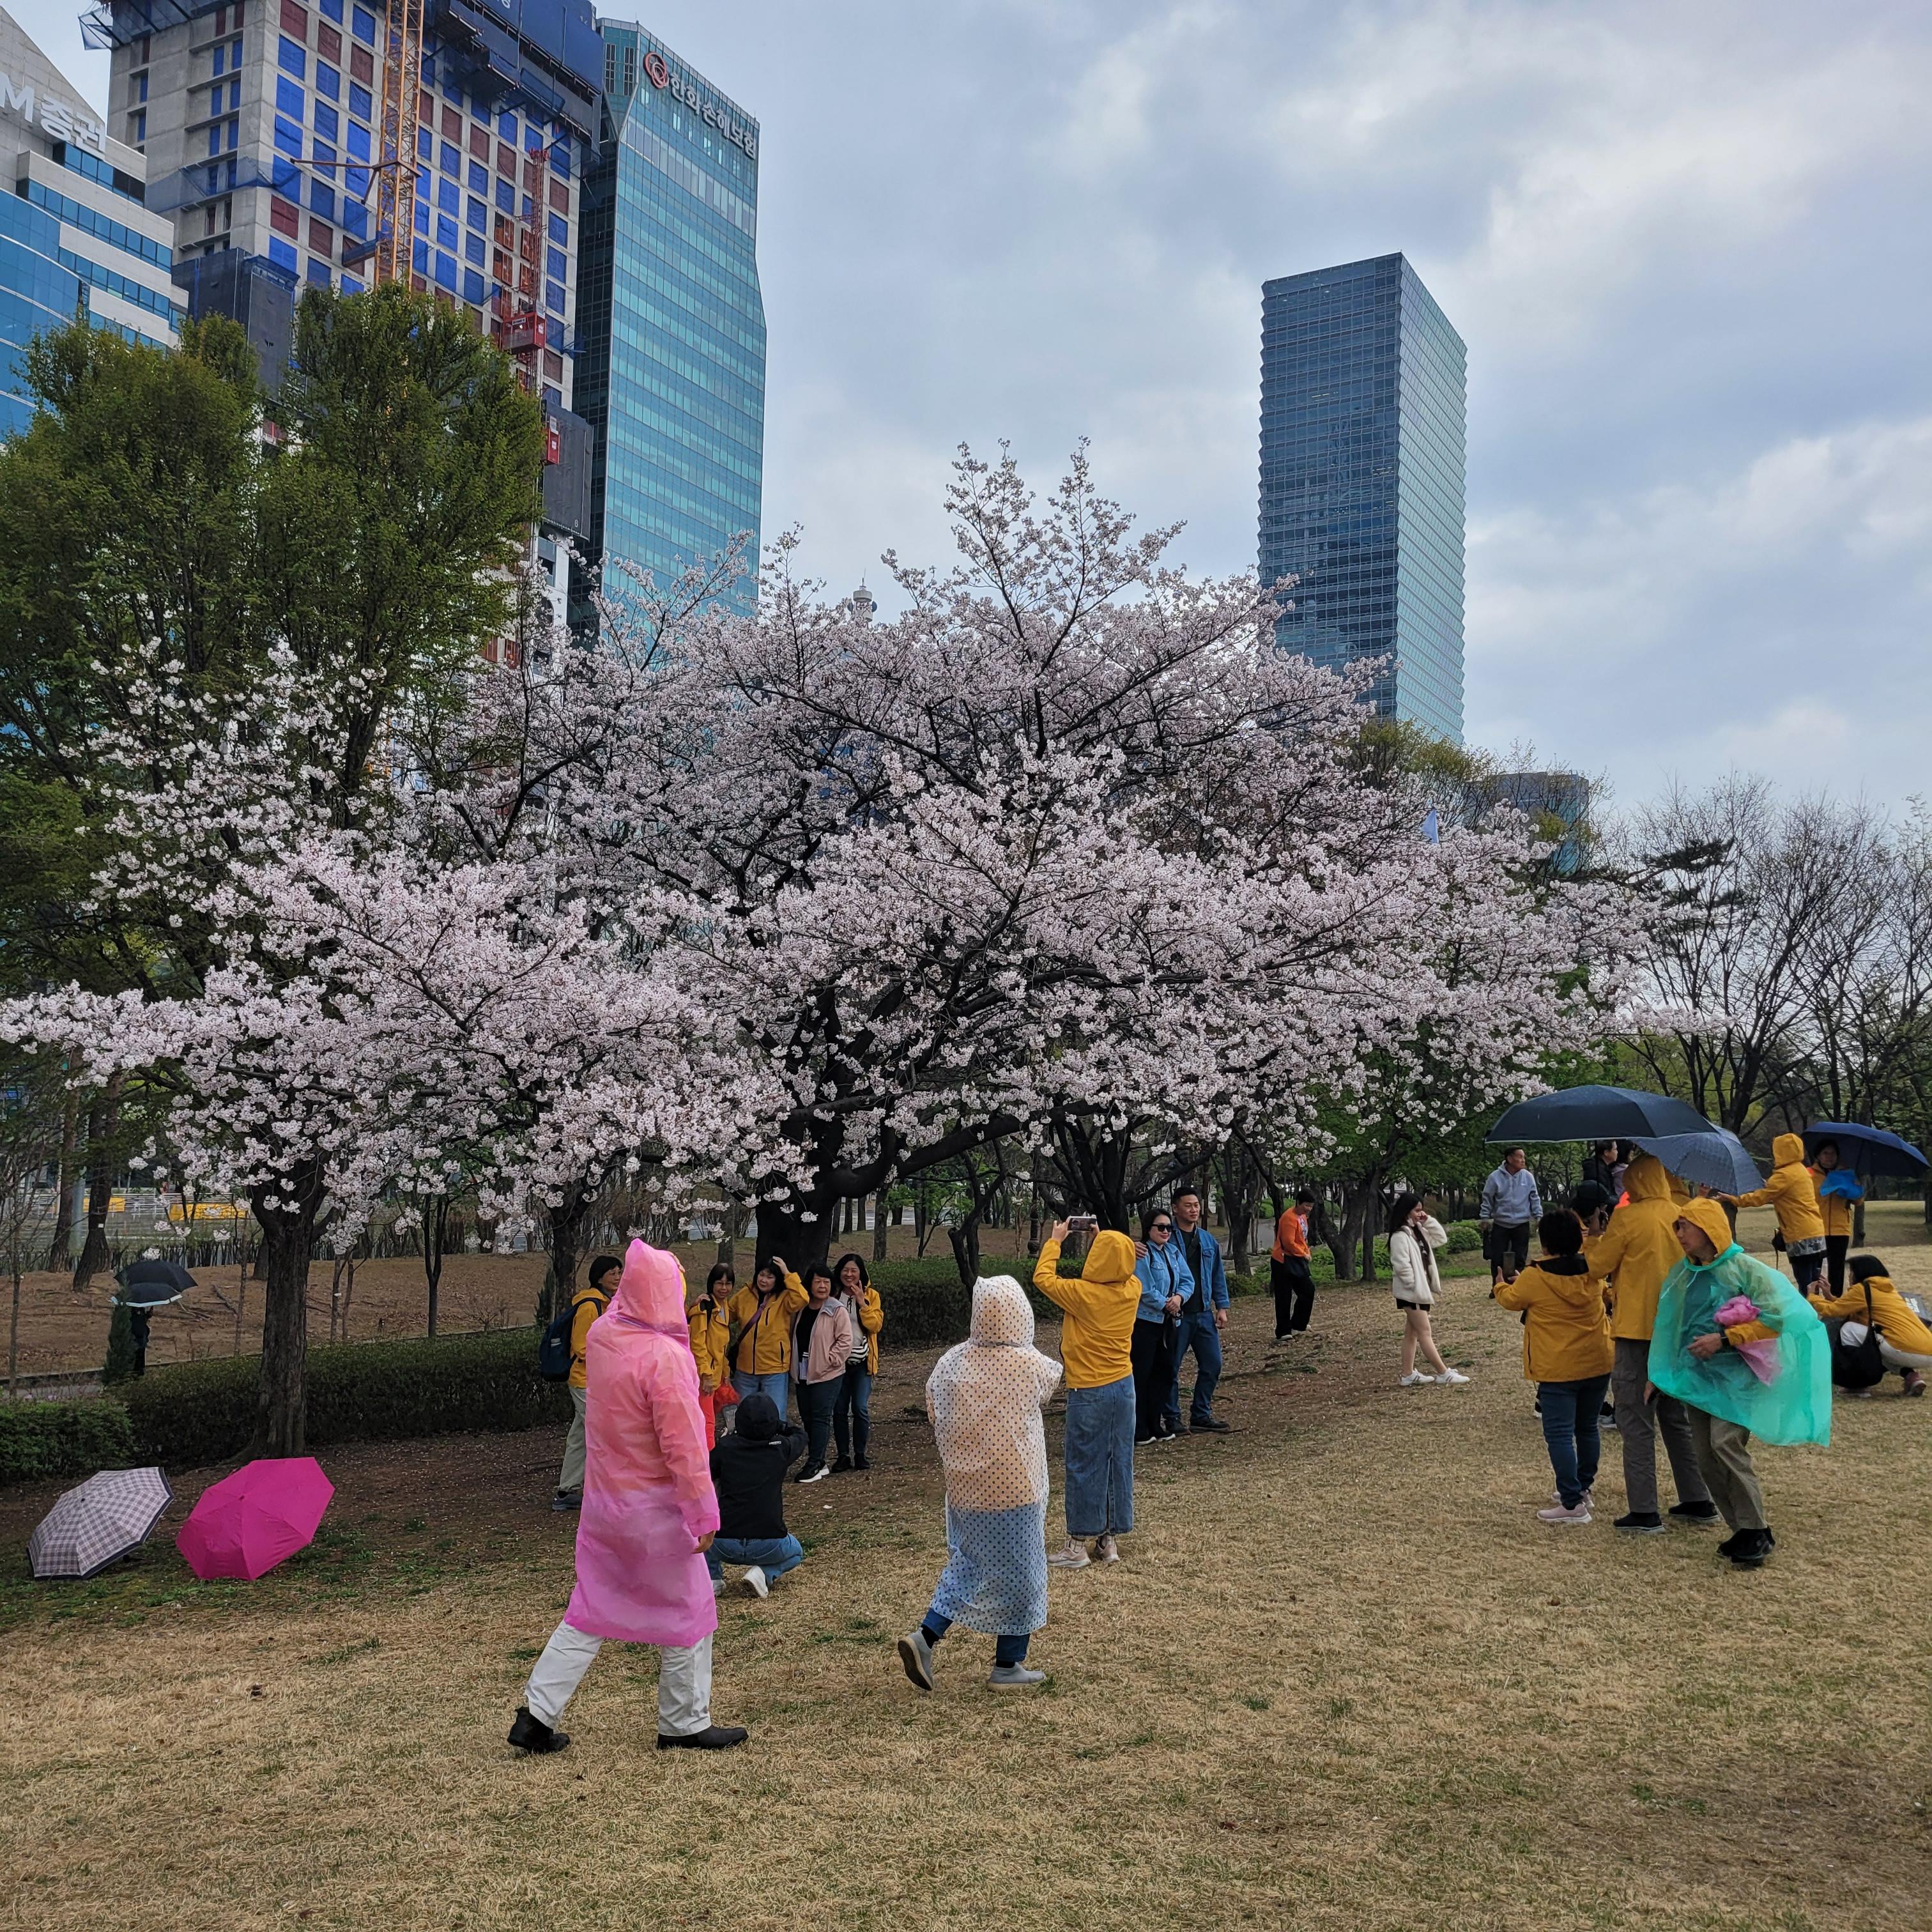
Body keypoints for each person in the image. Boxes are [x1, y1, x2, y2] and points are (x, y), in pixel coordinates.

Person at [509, 1239, 747, 1754]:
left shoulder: (604, 1338)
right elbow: (684, 1446)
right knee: (690, 1609)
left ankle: (536, 1714)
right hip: (655, 1511)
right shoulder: (666, 1358)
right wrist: (703, 1512)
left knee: (589, 1609)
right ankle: (684, 1721)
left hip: (604, 1507)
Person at [899, 1274, 1062, 1693]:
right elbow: (1053, 1379)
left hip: (966, 1490)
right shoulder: (1028, 1363)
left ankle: (926, 1637)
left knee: (969, 1563)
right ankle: (1008, 1664)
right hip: (1017, 1489)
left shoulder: (951, 1361)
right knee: (1024, 1574)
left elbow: (934, 1408)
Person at [1648, 1199, 1832, 1569]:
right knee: (1705, 1456)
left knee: (1725, 1443)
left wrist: (1726, 1339)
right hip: (1699, 1379)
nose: (1678, 1234)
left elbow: (1777, 1318)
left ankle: (1755, 1528)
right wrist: (1661, 1375)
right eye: (1677, 1226)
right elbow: (1672, 1327)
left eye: (1685, 1226)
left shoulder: (1745, 1269)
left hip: (1740, 1375)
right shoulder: (1684, 1274)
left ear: (1708, 1228)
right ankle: (1743, 1530)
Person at [1582, 1154, 1717, 1533]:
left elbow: (1597, 1267)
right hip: (1677, 1329)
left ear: (1635, 1182)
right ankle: (1698, 1498)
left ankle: (1644, 1510)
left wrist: (1595, 1235)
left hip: (1637, 1330)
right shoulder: (1682, 1215)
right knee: (1676, 1417)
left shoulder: (1628, 1218)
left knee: (1635, 1417)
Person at [1493, 1210, 1614, 1525]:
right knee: (1587, 1428)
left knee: (1559, 1434)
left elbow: (1512, 1300)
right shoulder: (1592, 1269)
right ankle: (1582, 1489)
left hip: (1557, 1367)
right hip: (1597, 1360)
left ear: (1545, 1242)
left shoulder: (1536, 1276)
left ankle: (1572, 1504)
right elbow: (1606, 1294)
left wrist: (1500, 1285)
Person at [1032, 1219, 1140, 1569]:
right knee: (1117, 1460)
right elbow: (1118, 1264)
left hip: (1090, 1389)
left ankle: (1077, 1544)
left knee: (1084, 1463)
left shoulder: (1083, 1294)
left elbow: (1043, 1278)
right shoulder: (1132, 1289)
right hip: (1124, 1387)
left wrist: (1056, 1241)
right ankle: (1108, 1541)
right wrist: (1103, 1240)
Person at [707, 1390, 808, 1598]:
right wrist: (779, 1426)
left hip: (723, 1542)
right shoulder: (781, 1450)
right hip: (769, 1541)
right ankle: (763, 1573)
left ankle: (713, 1579)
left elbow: (707, 1473)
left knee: (702, 1533)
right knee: (796, 1552)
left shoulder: (726, 1448)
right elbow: (800, 1435)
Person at [1809, 1255, 1932, 1397]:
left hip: (1902, 1348)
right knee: (1875, 1342)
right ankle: (1912, 1377)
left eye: (1851, 1272)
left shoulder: (1862, 1289)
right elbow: (1851, 1308)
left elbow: (1832, 1311)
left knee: (1850, 1330)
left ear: (1859, 1273)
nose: (1849, 1276)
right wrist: (1830, 1297)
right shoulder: (1887, 1289)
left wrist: (1812, 1297)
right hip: (1926, 1350)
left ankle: (1857, 1385)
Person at [552, 1254, 618, 1513]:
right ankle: (602, 1490)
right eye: (612, 1273)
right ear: (599, 1277)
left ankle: (566, 1490)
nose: (617, 1277)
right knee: (601, 1432)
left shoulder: (605, 1303)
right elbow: (581, 1347)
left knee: (580, 1436)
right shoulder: (590, 1306)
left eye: (619, 1272)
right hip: (583, 1380)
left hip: (594, 1380)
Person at [1722, 1133, 1827, 1292]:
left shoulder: (1783, 1175)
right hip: (1816, 1232)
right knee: (1814, 1281)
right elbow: (1784, 1191)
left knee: (1804, 1283)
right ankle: (1817, 1306)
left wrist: (1734, 1199)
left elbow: (1760, 1198)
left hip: (1799, 1234)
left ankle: (1807, 1307)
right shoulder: (1801, 1170)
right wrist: (1769, 1184)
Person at [1165, 1185, 1231, 1432]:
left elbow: (1217, 1275)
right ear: (1175, 1208)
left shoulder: (1207, 1240)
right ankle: (1172, 1417)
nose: (1194, 1210)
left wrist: (1222, 1307)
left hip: (1203, 1313)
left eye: (1196, 1205)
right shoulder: (1166, 1238)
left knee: (1213, 1364)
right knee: (1171, 1367)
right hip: (1176, 1315)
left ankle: (1201, 1414)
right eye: (1188, 1206)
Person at [1389, 1193, 1468, 1387]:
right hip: (1413, 1293)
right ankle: (1443, 1372)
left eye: (1421, 1210)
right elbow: (1401, 1266)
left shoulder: (1417, 1231)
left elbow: (1441, 1239)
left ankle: (1407, 1374)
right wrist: (1414, 1286)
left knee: (1413, 1333)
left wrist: (1428, 1220)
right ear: (1406, 1211)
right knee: (1425, 1332)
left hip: (1418, 1291)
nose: (1420, 1214)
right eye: (1417, 1210)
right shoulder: (1400, 1236)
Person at [790, 1263, 855, 1484]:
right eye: (818, 1281)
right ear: (809, 1284)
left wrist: (830, 1360)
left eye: (826, 1282)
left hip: (828, 1374)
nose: (822, 1286)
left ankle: (815, 1463)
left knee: (820, 1418)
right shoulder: (802, 1308)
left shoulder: (836, 1309)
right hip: (803, 1372)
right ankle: (819, 1460)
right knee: (807, 1417)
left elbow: (846, 1341)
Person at [726, 1254, 810, 1422]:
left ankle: (775, 1440)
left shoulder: (785, 1298)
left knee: (775, 1415)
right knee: (743, 1415)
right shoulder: (745, 1294)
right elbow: (726, 1316)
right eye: (762, 1275)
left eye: (770, 1277)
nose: (764, 1280)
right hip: (745, 1368)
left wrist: (787, 1273)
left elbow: (802, 1299)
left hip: (774, 1369)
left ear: (777, 1280)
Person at [1131, 1206, 1189, 1445]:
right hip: (1146, 1322)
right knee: (1142, 1374)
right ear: (1149, 1228)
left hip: (1169, 1323)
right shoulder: (1142, 1253)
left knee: (1164, 1373)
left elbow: (1188, 1280)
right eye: (1161, 1227)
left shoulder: (1173, 1252)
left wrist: (1179, 1299)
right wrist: (1166, 1304)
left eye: (1169, 1228)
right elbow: (1144, 1289)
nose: (1166, 1232)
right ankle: (1140, 1428)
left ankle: (1156, 1423)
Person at [829, 1251, 885, 1473]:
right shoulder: (833, 1294)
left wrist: (862, 1302)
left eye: (854, 1270)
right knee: (839, 1409)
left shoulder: (872, 1295)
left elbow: (875, 1326)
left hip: (862, 1362)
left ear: (861, 1273)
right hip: (838, 1363)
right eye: (846, 1270)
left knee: (860, 1407)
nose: (849, 1275)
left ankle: (860, 1454)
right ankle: (843, 1455)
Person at [1807, 1140, 1864, 1293]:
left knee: (1837, 1269)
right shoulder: (1808, 1174)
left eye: (1833, 1153)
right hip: (1816, 1228)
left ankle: (1835, 1300)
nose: (1829, 1157)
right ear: (1818, 1156)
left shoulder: (1846, 1174)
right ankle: (1813, 1300)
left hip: (1840, 1229)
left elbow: (1858, 1202)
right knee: (1815, 1269)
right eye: (1825, 1153)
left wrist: (1854, 1186)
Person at [1480, 1147, 1543, 1284]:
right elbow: (1487, 1199)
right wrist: (1484, 1218)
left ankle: (1517, 1285)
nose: (1523, 1160)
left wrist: (1538, 1216)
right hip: (1501, 1223)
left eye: (1524, 1157)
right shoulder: (1495, 1177)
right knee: (1497, 1258)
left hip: (1522, 1223)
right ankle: (1497, 1285)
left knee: (1520, 1258)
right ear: (1509, 1159)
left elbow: (1534, 1198)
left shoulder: (1528, 1177)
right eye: (1520, 1157)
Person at [690, 1264, 735, 1450]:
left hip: (716, 1375)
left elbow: (721, 1347)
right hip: (704, 1378)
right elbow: (697, 1345)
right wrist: (706, 1375)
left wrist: (726, 1373)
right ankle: (707, 1461)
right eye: (719, 1283)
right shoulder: (705, 1308)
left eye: (728, 1284)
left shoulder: (725, 1307)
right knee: (707, 1423)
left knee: (709, 1421)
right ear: (711, 1284)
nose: (724, 1288)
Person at [1269, 1189, 1318, 1342]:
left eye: (1311, 1206)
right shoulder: (1288, 1218)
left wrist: (1306, 1251)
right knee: (1284, 1296)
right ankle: (1283, 1331)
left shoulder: (1302, 1217)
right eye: (1306, 1205)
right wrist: (1303, 1254)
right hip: (1283, 1260)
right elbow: (1288, 1242)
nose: (1308, 1209)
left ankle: (1299, 1324)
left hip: (1297, 1260)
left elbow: (1302, 1239)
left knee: (1308, 1290)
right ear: (1298, 1203)